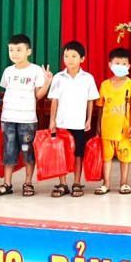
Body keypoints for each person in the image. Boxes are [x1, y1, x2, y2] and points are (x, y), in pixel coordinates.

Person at [0, 34, 52, 197]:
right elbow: (6, 91)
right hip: (8, 119)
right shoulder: (8, 71)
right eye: (11, 50)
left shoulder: (35, 70)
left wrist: (46, 83)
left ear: (28, 51)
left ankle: (28, 182)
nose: (14, 53)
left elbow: (38, 96)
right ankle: (7, 183)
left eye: (19, 50)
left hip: (27, 120)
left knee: (27, 151)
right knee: (9, 150)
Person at [47, 41, 100, 197]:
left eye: (74, 56)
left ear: (82, 59)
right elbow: (54, 100)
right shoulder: (58, 77)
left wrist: (89, 120)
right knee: (61, 154)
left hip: (78, 124)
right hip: (61, 123)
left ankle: (77, 182)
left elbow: (90, 101)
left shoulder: (88, 78)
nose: (69, 59)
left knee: (78, 153)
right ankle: (63, 183)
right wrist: (52, 121)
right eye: (66, 56)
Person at [93, 48, 131, 195]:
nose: (120, 66)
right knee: (106, 158)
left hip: (124, 129)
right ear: (110, 65)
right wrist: (98, 126)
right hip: (107, 129)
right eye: (117, 63)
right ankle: (106, 183)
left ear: (129, 66)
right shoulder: (105, 85)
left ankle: (124, 183)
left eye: (124, 63)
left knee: (125, 158)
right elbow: (101, 107)